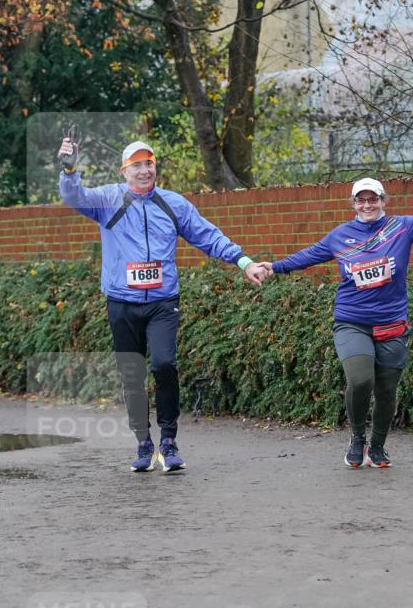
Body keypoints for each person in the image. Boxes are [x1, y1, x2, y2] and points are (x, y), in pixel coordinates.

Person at [57, 132, 268, 473]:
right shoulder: (108, 199)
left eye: (149, 164)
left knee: (164, 364)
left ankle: (168, 441)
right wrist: (69, 171)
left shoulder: (173, 204)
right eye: (136, 165)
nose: (144, 170)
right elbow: (74, 195)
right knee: (132, 374)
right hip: (122, 302)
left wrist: (244, 262)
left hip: (162, 302)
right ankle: (143, 443)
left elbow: (208, 236)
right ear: (124, 171)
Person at [261, 177, 413, 468]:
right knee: (360, 380)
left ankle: (377, 446)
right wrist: (274, 267)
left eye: (372, 199)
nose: (367, 205)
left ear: (383, 200)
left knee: (386, 391)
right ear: (353, 204)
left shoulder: (401, 228)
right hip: (352, 321)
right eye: (361, 200)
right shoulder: (340, 236)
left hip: (391, 323)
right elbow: (308, 255)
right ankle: (357, 438)